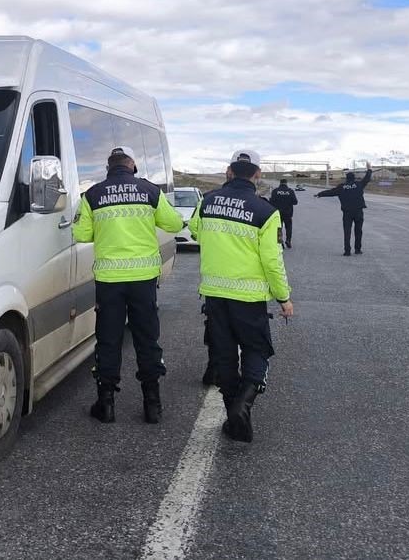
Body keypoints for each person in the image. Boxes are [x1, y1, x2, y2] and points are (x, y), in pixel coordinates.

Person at [72, 145, 185, 424]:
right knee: (147, 339)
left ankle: (106, 404)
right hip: (143, 281)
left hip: (109, 282)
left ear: (108, 167)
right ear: (132, 165)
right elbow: (174, 224)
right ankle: (152, 405)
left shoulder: (93, 194)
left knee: (109, 340)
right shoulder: (149, 191)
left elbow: (81, 234)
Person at [189, 150, 292, 442]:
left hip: (214, 294)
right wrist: (283, 298)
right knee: (256, 351)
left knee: (224, 356)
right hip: (249, 298)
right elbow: (272, 260)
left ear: (230, 171)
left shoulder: (207, 201)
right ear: (257, 174)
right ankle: (243, 406)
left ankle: (233, 418)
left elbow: (195, 232)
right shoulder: (265, 211)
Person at [315, 164, 372, 255]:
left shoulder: (341, 187)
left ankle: (347, 251)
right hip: (358, 212)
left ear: (346, 179)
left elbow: (330, 192)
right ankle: (357, 249)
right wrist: (369, 169)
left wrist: (320, 194)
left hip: (347, 213)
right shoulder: (358, 185)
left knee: (347, 231)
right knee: (358, 231)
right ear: (354, 178)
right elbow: (366, 179)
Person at [268, 177, 298, 248]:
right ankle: (288, 240)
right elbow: (295, 202)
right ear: (286, 183)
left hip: (278, 213)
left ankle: (280, 242)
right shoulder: (290, 191)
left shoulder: (275, 191)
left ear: (280, 183)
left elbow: (271, 202)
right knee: (288, 227)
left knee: (279, 227)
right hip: (288, 213)